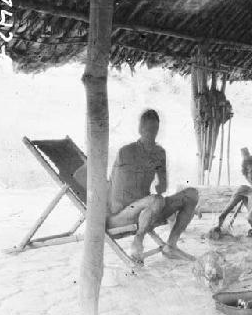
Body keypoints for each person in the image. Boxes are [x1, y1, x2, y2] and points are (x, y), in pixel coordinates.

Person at [74, 109, 199, 262]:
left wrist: (160, 173)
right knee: (156, 200)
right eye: (148, 130)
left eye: (154, 130)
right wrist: (150, 169)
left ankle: (170, 246)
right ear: (140, 129)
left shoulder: (160, 153)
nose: (151, 134)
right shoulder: (126, 152)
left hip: (147, 209)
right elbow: (119, 197)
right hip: (119, 215)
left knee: (191, 194)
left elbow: (162, 188)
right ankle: (138, 240)